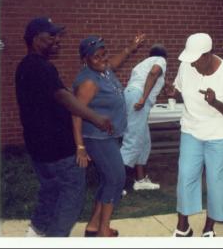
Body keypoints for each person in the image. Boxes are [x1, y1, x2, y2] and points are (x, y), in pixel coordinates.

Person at [15, 17, 112, 237]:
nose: (57, 39)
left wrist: (69, 93)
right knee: (71, 197)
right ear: (35, 38)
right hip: (58, 149)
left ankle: (36, 232)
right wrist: (96, 118)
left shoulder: (26, 66)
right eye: (52, 35)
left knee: (50, 191)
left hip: (38, 149)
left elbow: (56, 94)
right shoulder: (41, 67)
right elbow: (62, 97)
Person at [166, 32, 223, 237]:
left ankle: (209, 228)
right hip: (192, 129)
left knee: (218, 182)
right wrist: (174, 93)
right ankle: (183, 227)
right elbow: (181, 90)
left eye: (195, 60)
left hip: (222, 134)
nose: (191, 65)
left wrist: (215, 102)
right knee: (186, 177)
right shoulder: (187, 65)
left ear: (208, 55)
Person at [72, 33, 145, 237]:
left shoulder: (103, 70)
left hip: (108, 137)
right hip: (96, 139)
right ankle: (104, 229)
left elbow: (113, 62)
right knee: (116, 179)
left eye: (104, 54)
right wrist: (80, 147)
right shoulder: (89, 82)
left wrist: (131, 47)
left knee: (108, 180)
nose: (103, 59)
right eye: (97, 56)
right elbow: (76, 114)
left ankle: (94, 226)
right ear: (85, 60)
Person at [120, 44, 168, 192]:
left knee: (143, 141)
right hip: (139, 98)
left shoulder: (142, 64)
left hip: (131, 94)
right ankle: (116, 184)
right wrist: (143, 98)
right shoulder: (160, 60)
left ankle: (140, 180)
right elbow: (154, 74)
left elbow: (152, 76)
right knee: (133, 140)